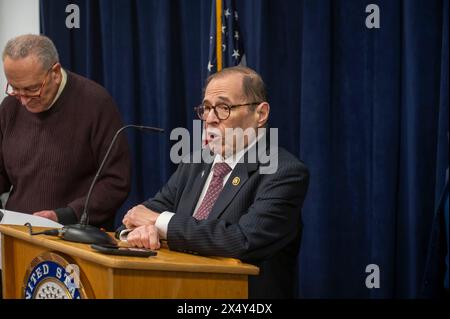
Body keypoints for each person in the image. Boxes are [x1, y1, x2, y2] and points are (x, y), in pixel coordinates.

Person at [120, 66, 309, 298]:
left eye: (223, 108)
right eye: (206, 108)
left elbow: (243, 240)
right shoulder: (194, 163)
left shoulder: (284, 172)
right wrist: (139, 232)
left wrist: (160, 222)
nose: (209, 119)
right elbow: (139, 216)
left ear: (260, 114)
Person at [0, 34, 131, 229]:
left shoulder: (95, 103)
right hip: (17, 233)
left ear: (55, 72)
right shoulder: (11, 107)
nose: (24, 100)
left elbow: (116, 181)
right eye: (15, 88)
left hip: (73, 236)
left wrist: (65, 215)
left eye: (32, 89)